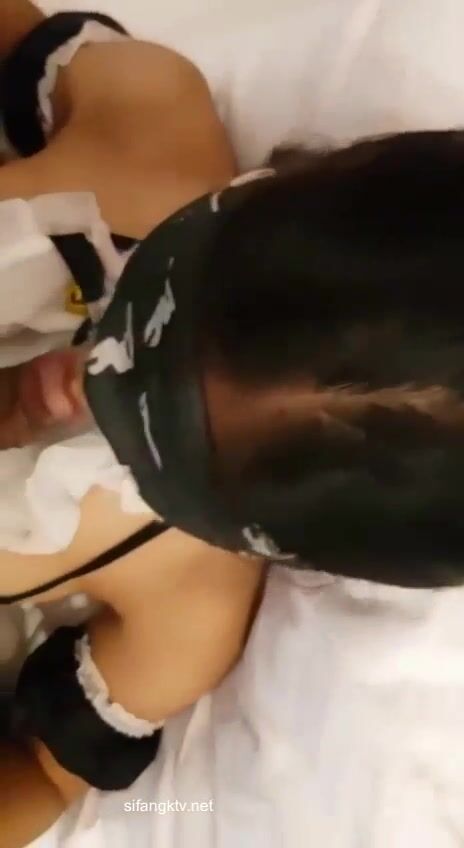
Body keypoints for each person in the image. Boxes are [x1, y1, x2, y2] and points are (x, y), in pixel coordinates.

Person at [0, 4, 264, 846]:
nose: (95, 377)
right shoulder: (149, 124)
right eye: (161, 310)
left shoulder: (186, 600)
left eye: (159, 439)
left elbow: (45, 773)